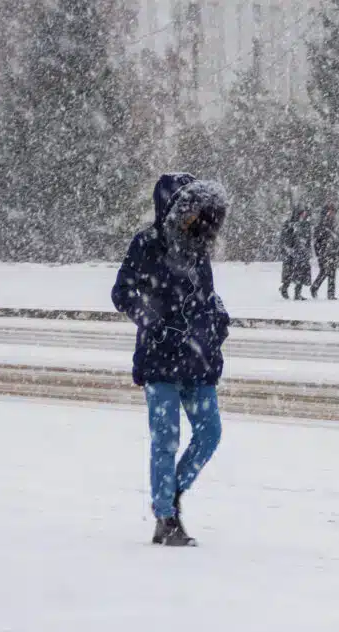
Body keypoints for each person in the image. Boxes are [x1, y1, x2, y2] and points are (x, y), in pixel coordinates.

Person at [111, 172, 230, 547]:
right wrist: (154, 322)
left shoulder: (198, 248)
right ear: (172, 209)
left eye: (201, 212)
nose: (195, 219)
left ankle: (171, 494)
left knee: (210, 433)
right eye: (190, 210)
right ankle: (165, 519)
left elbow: (208, 294)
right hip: (161, 358)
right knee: (165, 439)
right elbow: (122, 292)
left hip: (198, 359)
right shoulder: (146, 244)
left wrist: (219, 318)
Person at [279, 205, 312, 300]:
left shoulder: (305, 224)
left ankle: (298, 293)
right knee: (289, 273)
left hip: (302, 253)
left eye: (304, 213)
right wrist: (289, 248)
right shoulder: (290, 224)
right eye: (302, 213)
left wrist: (307, 249)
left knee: (301, 273)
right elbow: (285, 238)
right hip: (292, 253)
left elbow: (308, 238)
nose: (303, 215)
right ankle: (284, 288)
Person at [311, 201, 339, 300]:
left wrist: (337, 250)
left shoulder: (332, 224)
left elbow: (335, 239)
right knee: (324, 271)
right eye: (331, 211)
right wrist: (319, 253)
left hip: (332, 253)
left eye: (333, 212)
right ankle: (314, 287)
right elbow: (316, 241)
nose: (333, 214)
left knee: (332, 272)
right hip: (324, 253)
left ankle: (331, 294)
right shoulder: (322, 225)